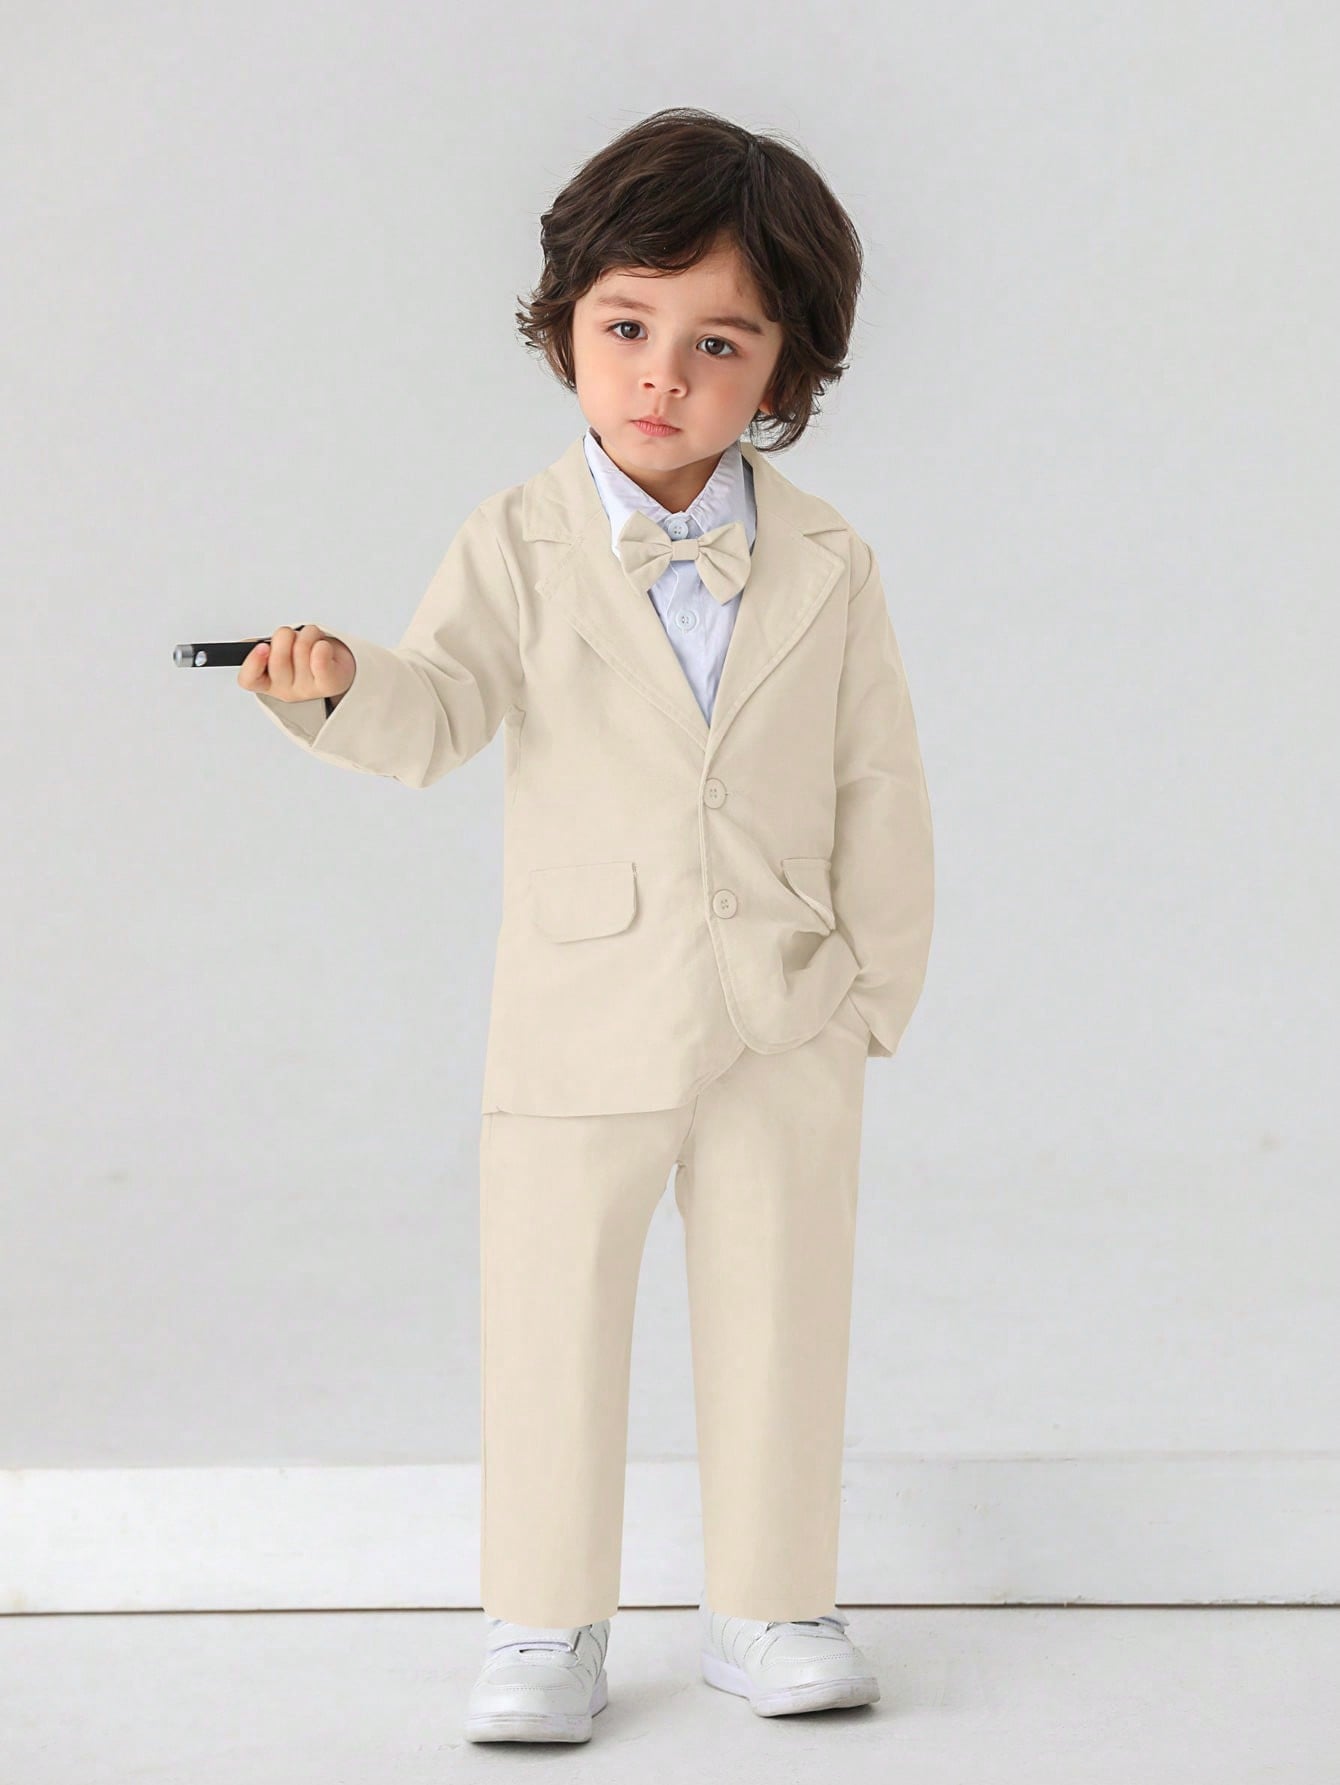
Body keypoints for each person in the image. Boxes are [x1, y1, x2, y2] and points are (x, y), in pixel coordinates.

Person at [238, 105, 935, 1744]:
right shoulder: (518, 540)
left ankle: (774, 1603)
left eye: (718, 344)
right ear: (565, 325)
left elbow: (880, 781)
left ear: (786, 369)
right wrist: (335, 687)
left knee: (784, 1310)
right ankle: (544, 1619)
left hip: (786, 1006)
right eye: (627, 327)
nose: (662, 377)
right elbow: (440, 707)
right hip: (581, 1009)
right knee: (551, 1315)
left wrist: (871, 992)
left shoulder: (831, 559)